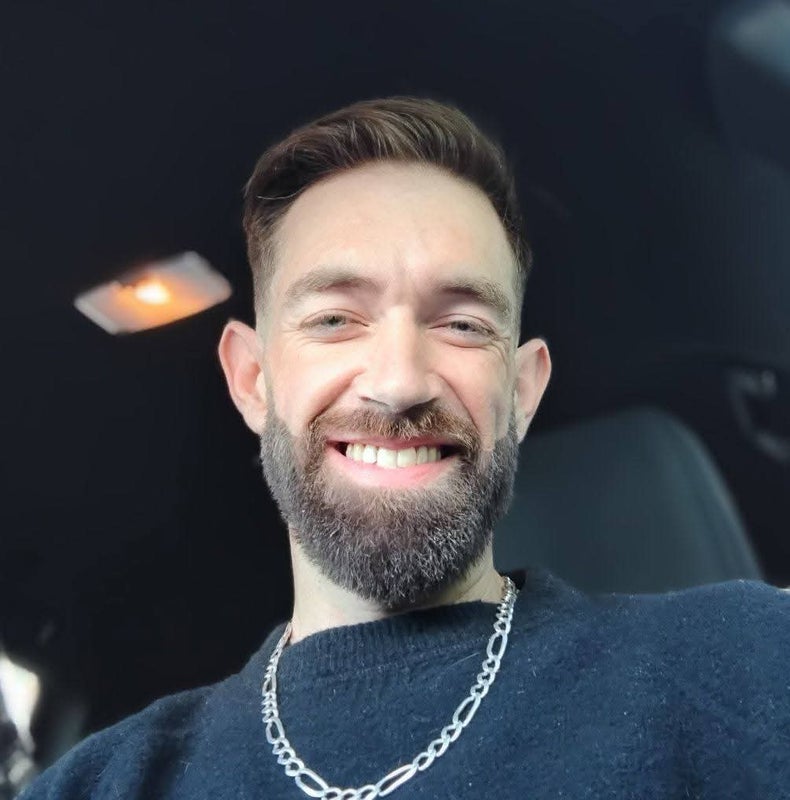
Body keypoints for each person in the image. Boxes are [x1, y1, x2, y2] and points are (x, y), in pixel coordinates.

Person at [22, 97, 790, 799]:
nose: (398, 383)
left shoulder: (749, 663)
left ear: (523, 391)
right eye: (334, 319)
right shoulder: (98, 786)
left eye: (462, 323)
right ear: (252, 379)